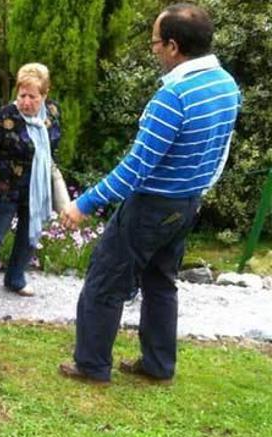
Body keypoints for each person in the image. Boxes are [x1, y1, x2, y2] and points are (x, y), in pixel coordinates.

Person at [58, 3, 241, 383]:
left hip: (151, 207)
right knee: (161, 283)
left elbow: (136, 168)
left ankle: (91, 365)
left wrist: (85, 203)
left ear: (174, 46)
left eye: (156, 42)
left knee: (105, 280)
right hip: (187, 204)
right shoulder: (225, 84)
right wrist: (199, 191)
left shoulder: (173, 97)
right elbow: (221, 152)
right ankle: (158, 366)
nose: (153, 48)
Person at [0, 63, 62, 310]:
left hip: (36, 190)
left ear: (44, 96)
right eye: (22, 95)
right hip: (5, 188)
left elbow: (53, 147)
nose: (26, 102)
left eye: (32, 97)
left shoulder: (52, 113)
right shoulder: (3, 117)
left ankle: (16, 278)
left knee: (29, 237)